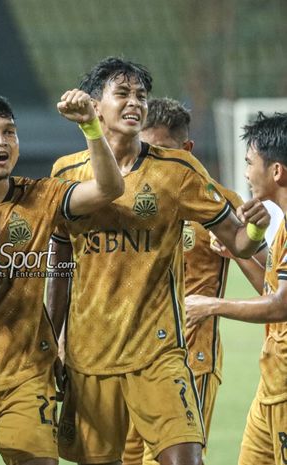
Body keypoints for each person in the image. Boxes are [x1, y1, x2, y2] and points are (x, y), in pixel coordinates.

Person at [48, 57, 269, 465]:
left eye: (141, 96)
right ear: (96, 106)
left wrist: (255, 230)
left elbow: (238, 242)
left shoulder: (178, 170)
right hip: (89, 355)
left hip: (159, 354)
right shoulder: (66, 172)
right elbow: (59, 263)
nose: (134, 102)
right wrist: (54, 337)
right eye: (123, 94)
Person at [0, 90, 123, 465]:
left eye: (9, 132)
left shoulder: (41, 196)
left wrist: (90, 125)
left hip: (26, 375)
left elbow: (109, 188)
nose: (1, 141)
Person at [122, 98, 267, 465]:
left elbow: (270, 287)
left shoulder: (221, 204)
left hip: (190, 358)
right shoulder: (124, 200)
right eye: (147, 150)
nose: (155, 161)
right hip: (126, 357)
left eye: (164, 150)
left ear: (187, 150)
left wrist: (236, 251)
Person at [185, 112, 287, 465]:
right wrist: (235, 253)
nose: (245, 172)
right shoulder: (283, 227)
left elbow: (281, 306)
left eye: (250, 163)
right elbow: (271, 290)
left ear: (276, 171)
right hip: (271, 386)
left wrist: (211, 305)